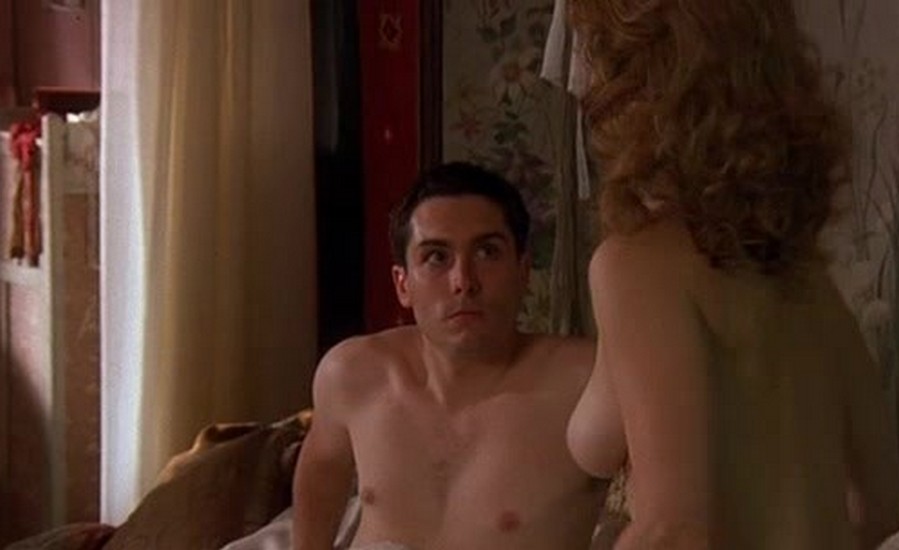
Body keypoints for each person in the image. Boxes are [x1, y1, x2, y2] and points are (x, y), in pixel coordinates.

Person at [564, 0, 899, 548]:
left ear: (629, 95)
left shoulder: (637, 268)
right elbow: (882, 504)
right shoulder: (806, 280)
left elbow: (676, 531)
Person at [292, 162, 606, 550]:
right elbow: (322, 471)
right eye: (437, 257)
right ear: (402, 284)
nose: (463, 282)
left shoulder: (585, 381)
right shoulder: (353, 372)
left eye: (487, 252)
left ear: (523, 271)